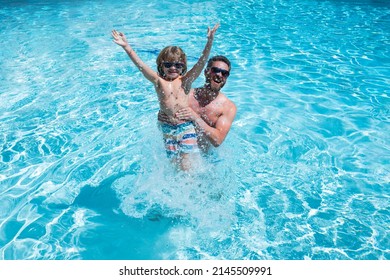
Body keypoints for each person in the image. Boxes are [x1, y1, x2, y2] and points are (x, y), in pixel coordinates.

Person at [111, 24, 219, 170]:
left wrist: (209, 41)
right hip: (167, 127)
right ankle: (178, 188)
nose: (173, 68)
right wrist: (127, 47)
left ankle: (191, 185)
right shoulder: (158, 81)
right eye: (168, 64)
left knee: (187, 164)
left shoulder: (185, 81)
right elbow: (141, 65)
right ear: (161, 66)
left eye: (178, 65)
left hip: (185, 126)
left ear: (183, 66)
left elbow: (201, 62)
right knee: (174, 163)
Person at [158, 55, 236, 153]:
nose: (219, 75)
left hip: (205, 158)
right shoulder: (186, 96)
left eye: (224, 73)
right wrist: (162, 118)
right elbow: (165, 125)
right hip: (178, 152)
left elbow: (217, 140)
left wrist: (195, 118)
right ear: (206, 72)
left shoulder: (228, 107)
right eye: (215, 70)